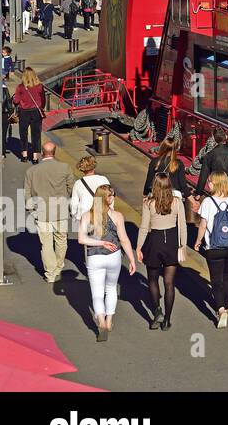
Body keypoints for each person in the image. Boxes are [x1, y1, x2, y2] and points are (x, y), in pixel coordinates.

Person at [79, 183, 137, 341]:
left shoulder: (87, 216)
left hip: (94, 257)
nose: (113, 198)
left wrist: (99, 243)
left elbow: (81, 239)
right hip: (113, 256)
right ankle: (110, 321)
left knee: (97, 294)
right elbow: (124, 239)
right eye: (112, 195)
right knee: (111, 288)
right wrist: (131, 259)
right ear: (107, 198)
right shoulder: (117, 216)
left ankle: (102, 322)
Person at [194, 172, 228, 329]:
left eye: (210, 181)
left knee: (216, 280)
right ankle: (226, 306)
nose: (208, 184)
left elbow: (203, 225)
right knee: (227, 277)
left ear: (215, 183)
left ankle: (221, 311)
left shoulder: (207, 202)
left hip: (214, 248)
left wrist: (198, 241)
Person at [136, 174, 186, 330]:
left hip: (155, 241)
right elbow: (182, 225)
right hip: (171, 241)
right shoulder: (177, 202)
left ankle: (157, 310)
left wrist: (138, 246)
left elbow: (144, 227)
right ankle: (167, 320)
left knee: (152, 279)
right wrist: (182, 245)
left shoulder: (149, 203)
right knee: (169, 282)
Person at [25, 140, 74, 291]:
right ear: (55, 152)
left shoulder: (32, 171)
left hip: (42, 212)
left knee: (46, 244)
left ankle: (50, 273)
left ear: (41, 152)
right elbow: (72, 188)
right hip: (61, 211)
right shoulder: (65, 168)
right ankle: (59, 266)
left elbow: (27, 193)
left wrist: (31, 209)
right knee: (61, 240)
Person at [194, 128, 228, 200]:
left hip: (216, 191)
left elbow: (203, 175)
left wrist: (198, 193)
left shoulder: (209, 155)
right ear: (226, 137)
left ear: (214, 138)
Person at [143, 137, 192, 207]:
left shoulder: (155, 162)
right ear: (175, 150)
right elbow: (183, 185)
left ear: (162, 147)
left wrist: (145, 195)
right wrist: (192, 200)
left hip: (158, 195)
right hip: (174, 198)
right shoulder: (178, 164)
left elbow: (149, 182)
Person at [14, 67, 45, 163]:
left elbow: (16, 101)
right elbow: (43, 100)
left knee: (23, 134)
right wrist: (41, 107)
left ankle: (24, 156)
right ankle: (35, 157)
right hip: (36, 111)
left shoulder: (20, 87)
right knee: (36, 134)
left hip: (24, 112)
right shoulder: (40, 86)